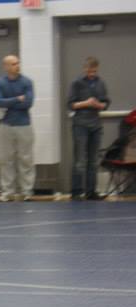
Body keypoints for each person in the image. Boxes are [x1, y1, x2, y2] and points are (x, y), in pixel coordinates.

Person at [67, 57, 110, 201]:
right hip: (80, 124)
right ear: (84, 69)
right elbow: (71, 104)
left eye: (95, 71)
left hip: (96, 125)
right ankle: (76, 191)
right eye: (90, 71)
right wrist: (86, 103)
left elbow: (106, 103)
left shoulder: (101, 82)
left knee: (93, 161)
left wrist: (99, 105)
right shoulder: (76, 83)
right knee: (80, 160)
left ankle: (91, 191)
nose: (92, 74)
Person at [0, 55, 35, 202]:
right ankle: (7, 191)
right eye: (13, 64)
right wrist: (17, 99)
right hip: (6, 125)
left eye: (18, 63)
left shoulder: (27, 82)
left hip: (24, 125)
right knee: (6, 159)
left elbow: (28, 103)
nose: (17, 66)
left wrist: (9, 102)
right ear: (6, 67)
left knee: (26, 159)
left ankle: (27, 191)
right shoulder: (0, 83)